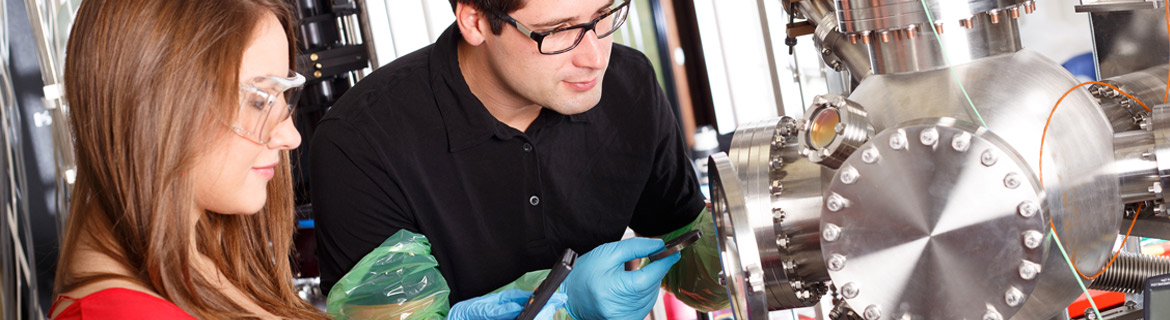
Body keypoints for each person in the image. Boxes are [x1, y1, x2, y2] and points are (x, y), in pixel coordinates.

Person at [311, 0, 727, 318]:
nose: (595, 58)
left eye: (603, 16)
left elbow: (696, 270)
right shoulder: (359, 143)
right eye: (559, 31)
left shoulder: (628, 83)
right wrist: (563, 305)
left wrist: (758, 234)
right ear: (475, 20)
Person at [49, 0, 328, 318]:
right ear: (157, 108)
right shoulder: (122, 313)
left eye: (285, 97)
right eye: (258, 101)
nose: (291, 137)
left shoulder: (202, 262)